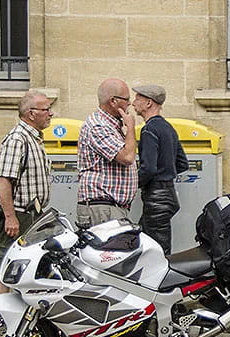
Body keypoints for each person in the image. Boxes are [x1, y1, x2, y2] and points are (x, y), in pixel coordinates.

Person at [0, 90, 54, 296]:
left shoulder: (33, 138)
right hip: (18, 215)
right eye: (46, 109)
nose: (50, 113)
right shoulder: (17, 139)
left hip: (31, 215)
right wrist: (10, 217)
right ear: (31, 113)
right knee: (5, 268)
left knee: (22, 267)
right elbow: (3, 180)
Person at [131, 84, 188, 255]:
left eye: (137, 99)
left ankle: (164, 281)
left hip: (156, 200)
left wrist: (132, 185)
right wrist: (165, 173)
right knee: (150, 244)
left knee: (156, 251)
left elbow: (148, 169)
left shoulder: (149, 130)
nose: (133, 103)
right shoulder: (168, 128)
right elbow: (182, 164)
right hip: (167, 196)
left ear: (148, 103)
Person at [76, 78, 137, 227]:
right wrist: (130, 127)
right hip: (103, 209)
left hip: (111, 208)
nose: (130, 103)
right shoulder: (98, 126)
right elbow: (128, 157)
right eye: (127, 99)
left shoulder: (111, 125)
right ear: (113, 101)